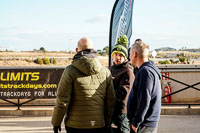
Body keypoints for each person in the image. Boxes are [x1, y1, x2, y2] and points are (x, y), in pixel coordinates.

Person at [51, 37, 115, 133]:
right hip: (98, 125)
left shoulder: (70, 71)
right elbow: (110, 100)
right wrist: (106, 121)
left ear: (77, 50)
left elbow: (62, 100)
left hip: (75, 125)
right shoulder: (105, 72)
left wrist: (56, 122)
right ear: (93, 50)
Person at [127, 40, 161, 133]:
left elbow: (144, 100)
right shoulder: (148, 70)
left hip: (144, 125)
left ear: (134, 54)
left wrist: (136, 122)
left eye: (129, 54)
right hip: (145, 123)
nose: (129, 57)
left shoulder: (145, 71)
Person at [110, 35, 135, 133]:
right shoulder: (112, 69)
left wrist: (107, 95)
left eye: (120, 55)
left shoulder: (127, 71)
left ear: (125, 57)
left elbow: (123, 93)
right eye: (115, 54)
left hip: (121, 113)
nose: (118, 57)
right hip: (111, 111)